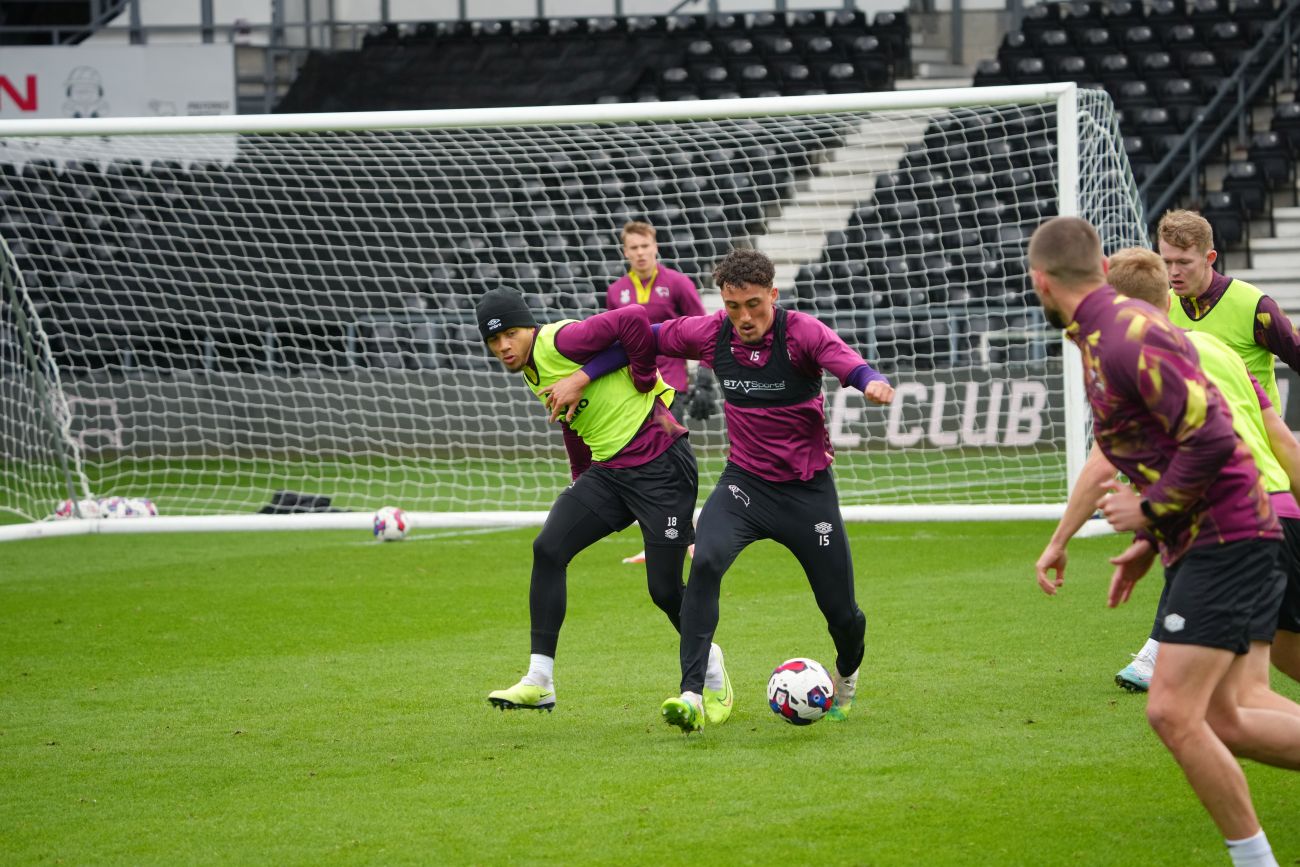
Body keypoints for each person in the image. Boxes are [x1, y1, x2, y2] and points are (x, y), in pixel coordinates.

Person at [1029, 217, 1300, 867]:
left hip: (1229, 533)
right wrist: (1152, 540)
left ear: (1040, 281)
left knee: (1174, 711)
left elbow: (1213, 440)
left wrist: (1150, 512)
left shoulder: (1123, 337)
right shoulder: (1102, 335)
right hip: (1218, 531)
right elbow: (1171, 446)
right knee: (1228, 715)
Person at [652, 248, 895, 732]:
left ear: (774, 296)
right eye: (733, 306)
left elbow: (845, 361)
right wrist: (582, 360)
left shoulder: (801, 332)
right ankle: (693, 694)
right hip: (744, 486)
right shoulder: (711, 332)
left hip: (808, 495)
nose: (744, 317)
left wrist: (870, 382)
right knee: (705, 562)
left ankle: (845, 678)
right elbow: (643, 334)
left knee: (842, 613)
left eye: (754, 305)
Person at [475, 287, 732, 722]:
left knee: (665, 591)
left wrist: (642, 377)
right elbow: (570, 419)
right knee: (549, 548)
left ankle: (710, 668)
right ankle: (540, 679)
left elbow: (633, 320)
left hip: (661, 463)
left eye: (511, 334)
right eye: (493, 341)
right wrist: (581, 481)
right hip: (611, 473)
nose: (503, 346)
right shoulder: (530, 370)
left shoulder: (559, 341)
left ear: (528, 327)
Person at [1111, 209, 1300, 690]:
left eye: (1184, 262)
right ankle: (1166, 653)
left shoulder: (1254, 306)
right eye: (1166, 261)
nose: (1173, 272)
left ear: (1210, 257)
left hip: (1257, 457)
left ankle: (1161, 653)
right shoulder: (1161, 308)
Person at [606, 220, 711, 565]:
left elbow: (706, 330)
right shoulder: (616, 291)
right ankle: (662, 536)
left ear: (655, 247)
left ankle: (686, 536)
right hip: (636, 391)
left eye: (644, 246)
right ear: (625, 252)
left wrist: (706, 377)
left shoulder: (677, 284)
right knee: (643, 462)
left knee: (668, 459)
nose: (639, 253)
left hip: (671, 390)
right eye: (632, 248)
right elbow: (613, 342)